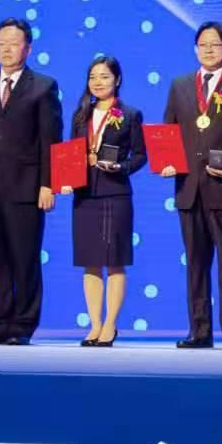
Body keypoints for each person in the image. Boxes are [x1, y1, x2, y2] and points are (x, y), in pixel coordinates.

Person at [163, 22, 222, 350]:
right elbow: (169, 132)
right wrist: (166, 161)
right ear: (195, 48)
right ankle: (199, 330)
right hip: (188, 188)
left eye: (215, 44)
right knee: (195, 262)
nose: (208, 49)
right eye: (202, 44)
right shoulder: (180, 85)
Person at [0, 17, 62, 346]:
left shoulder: (43, 86)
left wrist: (48, 184)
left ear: (28, 49)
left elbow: (51, 140)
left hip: (27, 186)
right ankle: (0, 324)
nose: (6, 49)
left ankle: (23, 326)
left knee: (25, 258)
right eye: (1, 43)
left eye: (14, 43)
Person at [69, 56, 146, 348]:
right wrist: (65, 176)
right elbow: (70, 151)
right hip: (84, 194)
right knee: (89, 262)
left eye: (104, 76)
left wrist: (120, 167)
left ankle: (111, 324)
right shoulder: (80, 115)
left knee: (115, 261)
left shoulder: (130, 114)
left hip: (115, 193)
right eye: (92, 77)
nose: (97, 82)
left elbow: (140, 155)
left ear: (117, 80)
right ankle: (95, 324)